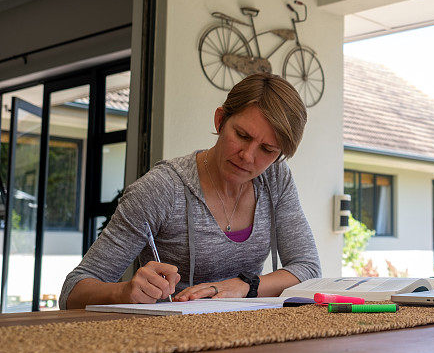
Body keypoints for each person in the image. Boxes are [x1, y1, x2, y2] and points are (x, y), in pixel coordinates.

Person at [60, 73, 321, 309]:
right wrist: (124, 292)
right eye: (242, 135)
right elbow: (72, 292)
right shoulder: (162, 189)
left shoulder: (275, 178)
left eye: (267, 150)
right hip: (169, 340)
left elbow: (308, 268)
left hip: (246, 338)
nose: (248, 156)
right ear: (220, 120)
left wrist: (243, 286)